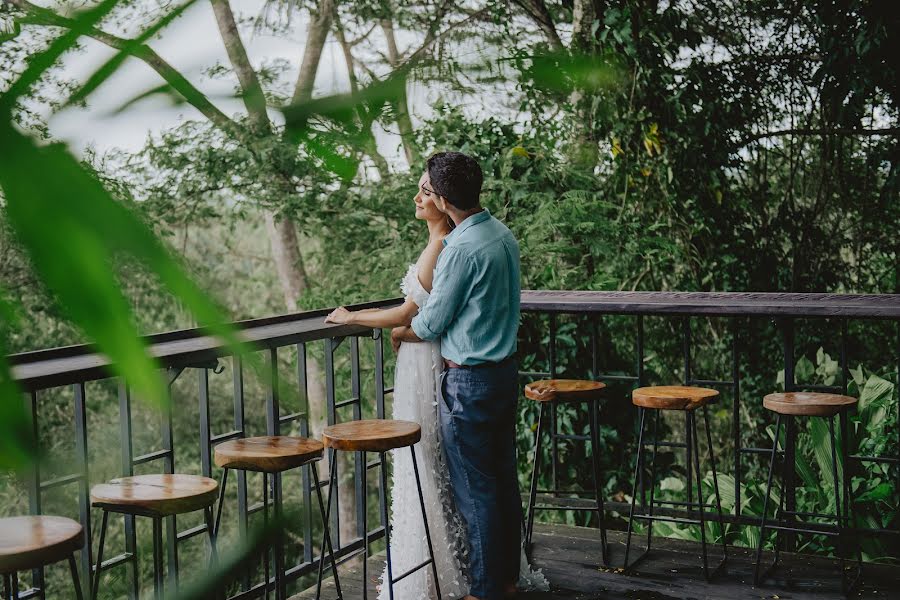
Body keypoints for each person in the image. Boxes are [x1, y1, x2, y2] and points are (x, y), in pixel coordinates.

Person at [325, 151, 547, 600]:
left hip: (470, 382)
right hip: (503, 373)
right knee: (501, 481)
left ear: (443, 199)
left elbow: (430, 323)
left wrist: (401, 331)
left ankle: (486, 591)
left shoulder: (462, 249)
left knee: (475, 491)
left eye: (427, 188)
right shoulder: (499, 233)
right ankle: (506, 577)